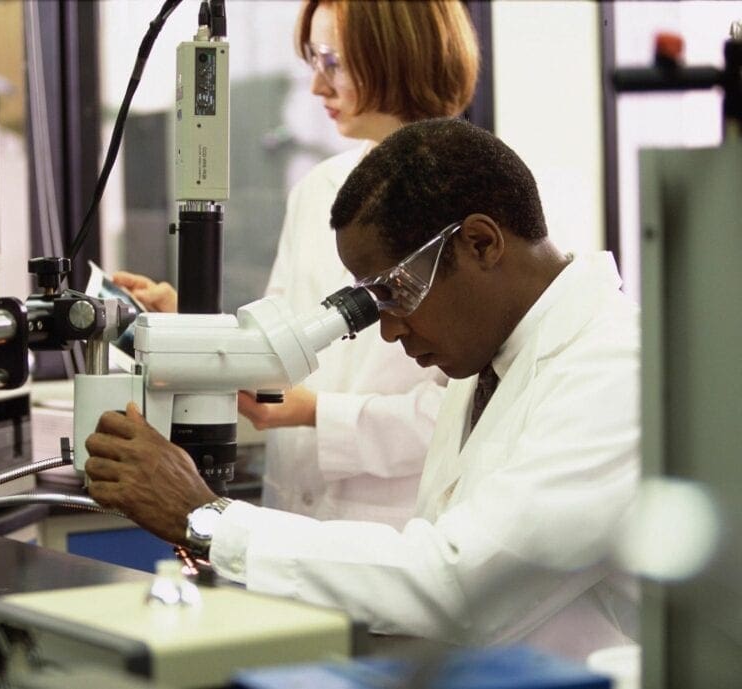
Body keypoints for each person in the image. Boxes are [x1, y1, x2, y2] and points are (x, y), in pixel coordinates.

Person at [85, 118, 640, 660]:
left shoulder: (614, 370)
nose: (392, 330)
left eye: (395, 294)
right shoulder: (493, 362)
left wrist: (208, 519)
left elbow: (460, 587)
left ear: (481, 242)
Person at [114, 0, 479, 528]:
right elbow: (284, 340)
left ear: (397, 55)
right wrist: (194, 325)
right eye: (313, 62)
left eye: (332, 63)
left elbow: (470, 413)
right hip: (291, 512)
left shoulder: (480, 198)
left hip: (399, 526)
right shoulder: (319, 190)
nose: (316, 87)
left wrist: (317, 414)